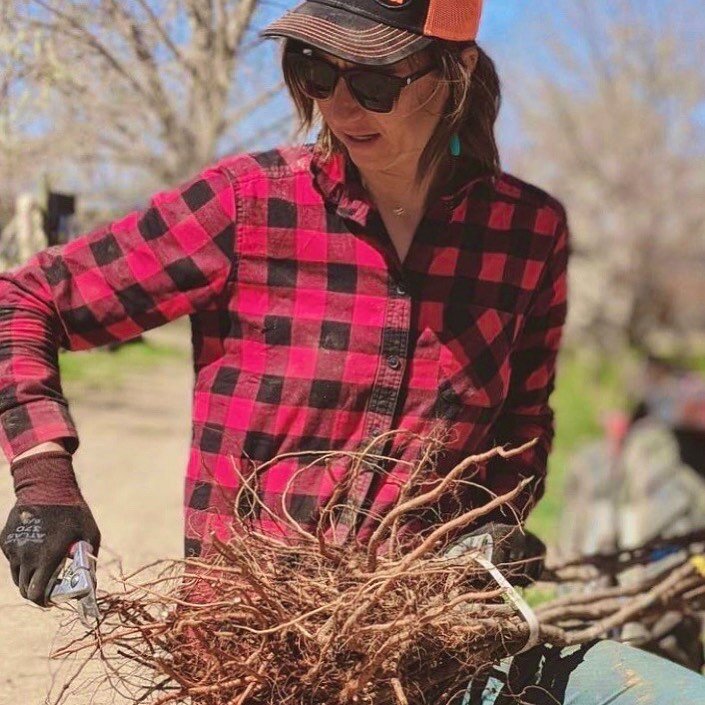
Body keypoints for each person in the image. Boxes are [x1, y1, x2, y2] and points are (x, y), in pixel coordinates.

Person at [0, 1, 703, 702]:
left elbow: (523, 424)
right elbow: (24, 299)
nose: (337, 104)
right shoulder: (248, 205)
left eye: (372, 79)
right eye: (313, 70)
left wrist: (501, 526)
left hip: (428, 656)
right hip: (247, 665)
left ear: (452, 71)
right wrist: (43, 477)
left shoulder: (526, 233)